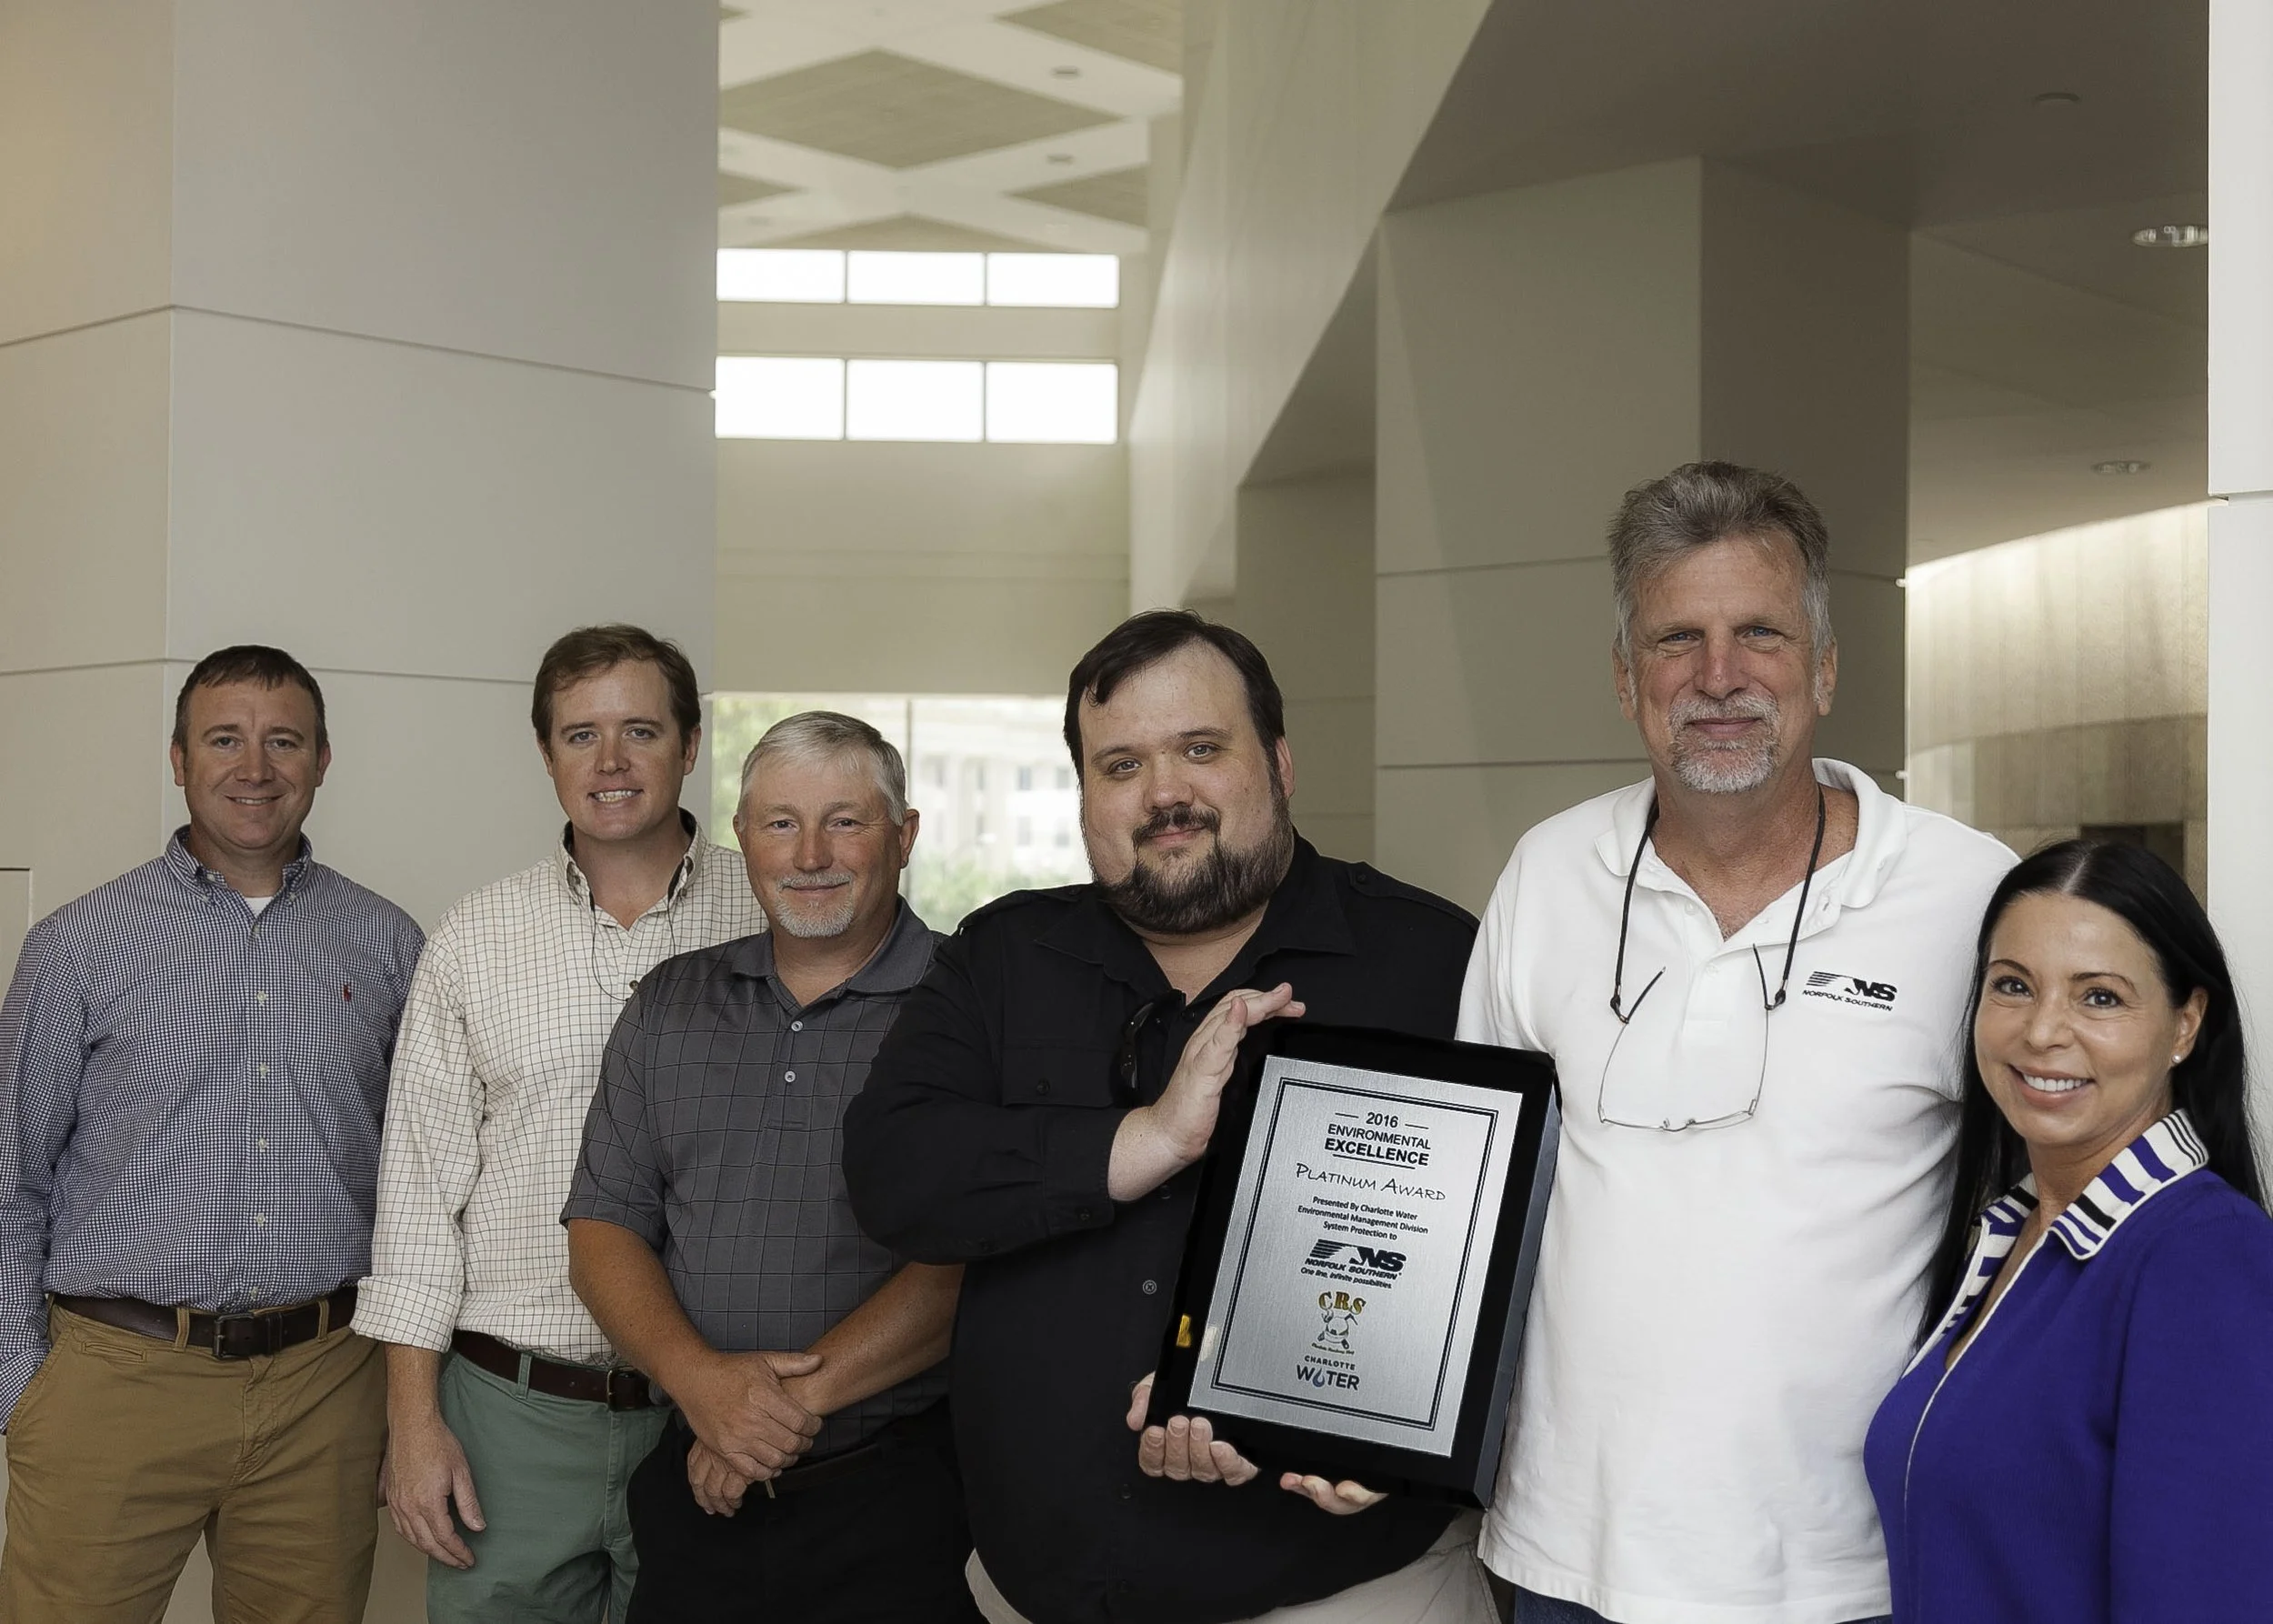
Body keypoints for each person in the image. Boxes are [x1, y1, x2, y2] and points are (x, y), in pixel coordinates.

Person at [844, 612, 1495, 1624]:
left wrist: (1364, 1429)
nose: (1166, 795)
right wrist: (1140, 1140)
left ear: (1277, 762)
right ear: (1085, 795)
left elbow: (1510, 1260)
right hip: (1029, 1595)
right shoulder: (1003, 956)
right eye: (1121, 764)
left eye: (1200, 748)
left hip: (1345, 1592)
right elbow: (894, 1173)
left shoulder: (1434, 963)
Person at [1457, 463, 2014, 1624]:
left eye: (1758, 632)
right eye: (1676, 639)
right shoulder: (1546, 875)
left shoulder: (1968, 894)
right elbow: (1469, 1203)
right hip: (1564, 1559)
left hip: (1845, 1571)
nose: (1719, 677)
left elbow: (2044, 1208)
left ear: (1822, 665)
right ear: (1625, 678)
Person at [0, 646, 425, 1623]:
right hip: (117, 1379)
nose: (255, 767)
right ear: (178, 759)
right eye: (224, 739)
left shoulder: (391, 943)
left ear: (323, 760)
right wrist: (26, 1388)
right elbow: (10, 1179)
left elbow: (420, 1183)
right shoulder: (77, 943)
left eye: (284, 741)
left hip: (326, 1384)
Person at [351, 625, 765, 1621]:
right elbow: (417, 1202)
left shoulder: (768, 915)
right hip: (512, 1415)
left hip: (709, 1411)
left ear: (692, 743)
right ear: (546, 754)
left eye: (639, 730)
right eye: (580, 736)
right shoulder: (473, 939)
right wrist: (414, 1425)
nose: (610, 763)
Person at [566, 711, 977, 1622]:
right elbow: (602, 1228)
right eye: (781, 822)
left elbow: (968, 1258)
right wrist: (706, 1388)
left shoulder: (969, 1007)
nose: (811, 852)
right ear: (742, 839)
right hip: (695, 1481)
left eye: (847, 819)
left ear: (903, 836)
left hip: (894, 1493)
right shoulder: (671, 1001)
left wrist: (763, 1420)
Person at [1864, 839, 2273, 1623]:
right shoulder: (2013, 1238)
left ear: (2186, 1022)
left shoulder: (2205, 1261)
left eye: (2101, 998)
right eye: (2012, 986)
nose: (2043, 1032)